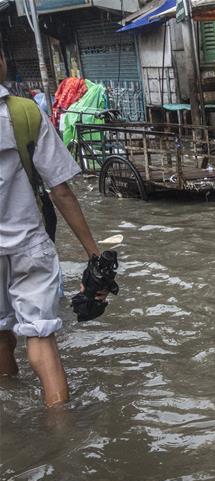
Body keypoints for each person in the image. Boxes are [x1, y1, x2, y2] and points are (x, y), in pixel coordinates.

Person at [0, 54, 107, 407]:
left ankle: (10, 395)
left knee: (1, 332)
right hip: (28, 243)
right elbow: (60, 190)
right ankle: (61, 432)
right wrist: (94, 253)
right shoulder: (25, 113)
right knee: (41, 338)